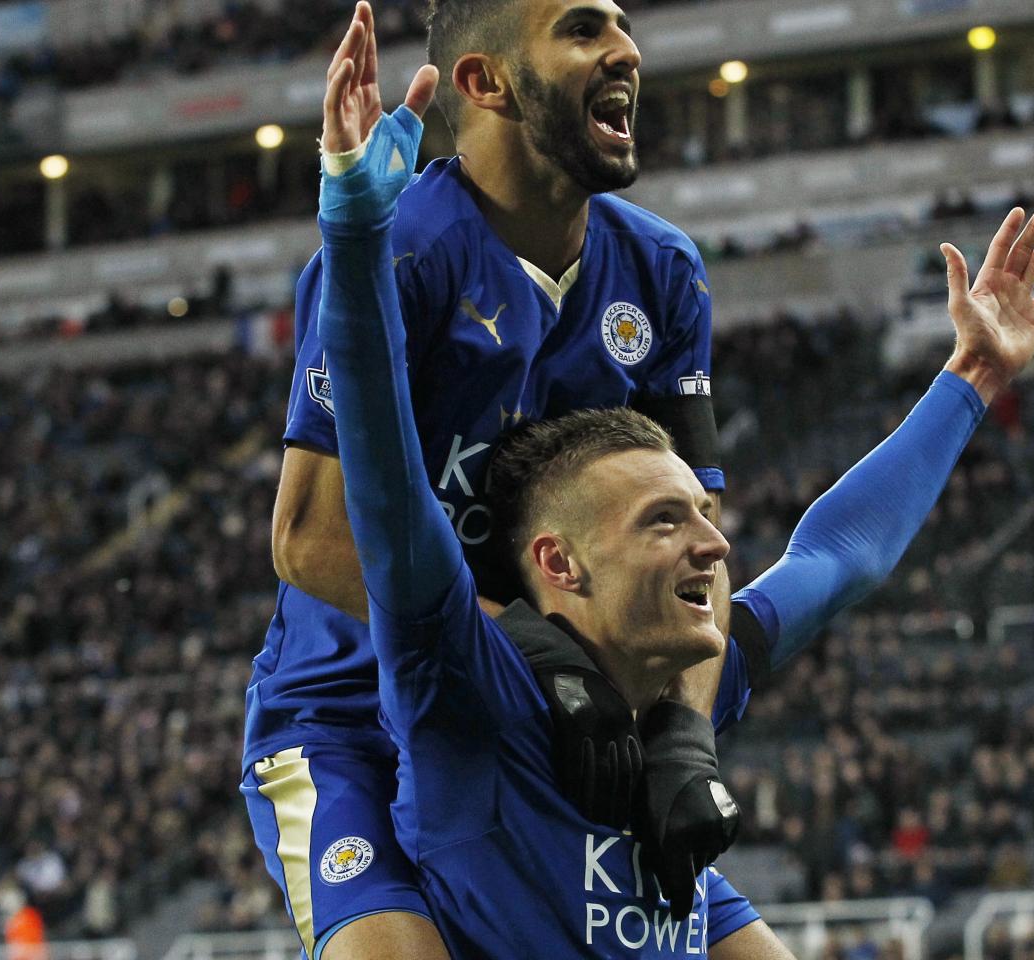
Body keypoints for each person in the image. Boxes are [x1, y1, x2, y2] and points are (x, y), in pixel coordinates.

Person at [312, 38, 1034, 955]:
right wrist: (355, 240)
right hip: (353, 761)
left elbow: (838, 556)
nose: (712, 547)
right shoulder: (470, 679)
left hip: (653, 850)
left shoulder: (678, 674)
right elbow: (382, 491)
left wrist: (974, 375)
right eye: (665, 523)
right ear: (560, 563)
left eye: (701, 517)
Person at [242, 3, 739, 957]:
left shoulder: (664, 273)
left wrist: (683, 734)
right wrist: (522, 651)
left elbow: (702, 543)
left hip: (564, 737)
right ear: (486, 82)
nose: (627, 50)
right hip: (353, 723)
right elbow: (307, 538)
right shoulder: (401, 252)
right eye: (584, 29)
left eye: (624, 25)